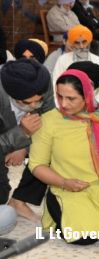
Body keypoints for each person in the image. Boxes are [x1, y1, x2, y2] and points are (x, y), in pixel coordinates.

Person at [30, 69, 99, 244]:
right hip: (68, 188)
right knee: (83, 238)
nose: (64, 104)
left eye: (71, 98)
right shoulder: (48, 121)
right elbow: (37, 165)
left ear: (87, 96)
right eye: (59, 96)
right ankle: (55, 206)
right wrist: (63, 182)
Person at [0, 59, 54, 223]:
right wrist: (21, 133)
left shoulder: (42, 81)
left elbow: (49, 120)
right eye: (26, 102)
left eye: (38, 100)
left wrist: (23, 144)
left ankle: (20, 199)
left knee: (57, 145)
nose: (33, 105)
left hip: (24, 135)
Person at [52, 25, 99, 103]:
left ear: (89, 41)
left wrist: (93, 103)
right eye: (77, 43)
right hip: (68, 103)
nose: (81, 46)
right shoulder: (62, 60)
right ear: (72, 44)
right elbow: (55, 85)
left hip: (94, 103)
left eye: (84, 42)